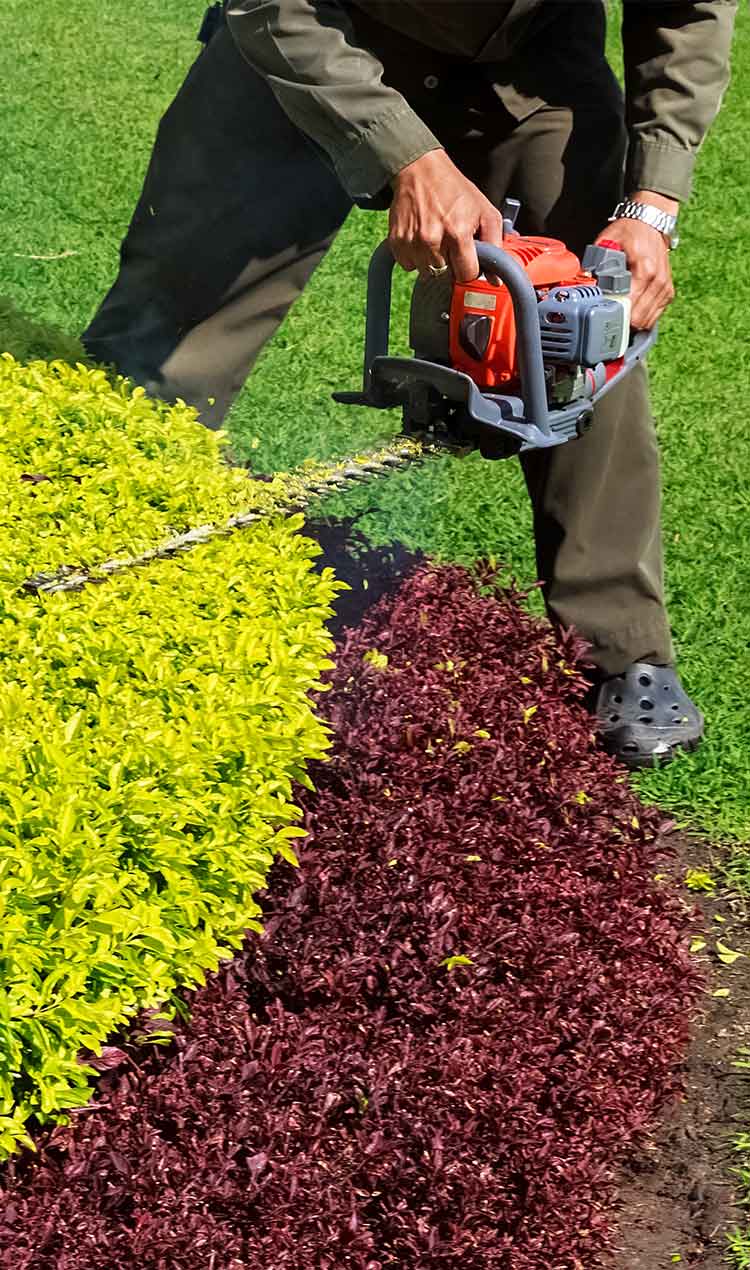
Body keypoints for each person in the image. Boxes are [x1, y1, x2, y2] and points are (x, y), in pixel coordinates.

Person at [82, 0, 737, 768]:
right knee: (172, 328)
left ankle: (625, 649)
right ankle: (88, 548)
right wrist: (405, 156)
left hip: (524, 60)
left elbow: (688, 11)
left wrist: (652, 204)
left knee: (578, 315)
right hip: (314, 35)